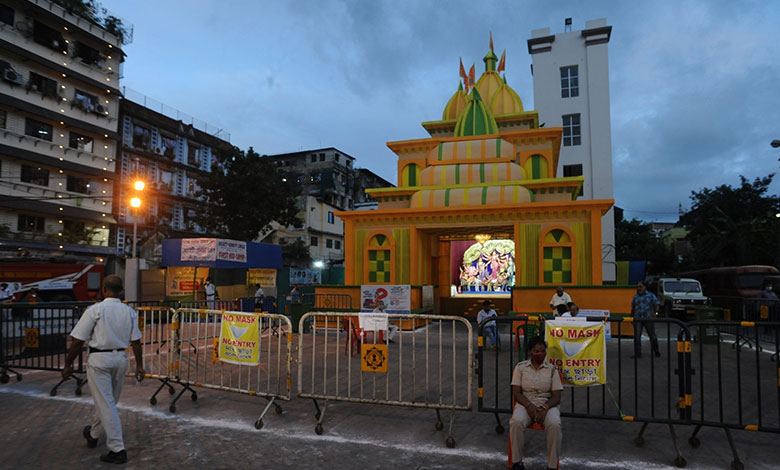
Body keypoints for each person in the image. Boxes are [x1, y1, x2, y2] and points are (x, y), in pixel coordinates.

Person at [62, 275, 144, 464]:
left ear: (104, 289)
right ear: (120, 290)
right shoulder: (129, 311)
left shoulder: (95, 310)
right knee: (109, 402)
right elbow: (136, 341)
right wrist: (139, 365)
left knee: (106, 403)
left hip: (99, 359)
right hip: (121, 359)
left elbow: (77, 341)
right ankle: (93, 434)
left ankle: (117, 449)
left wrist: (68, 364)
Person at [509, 335, 563, 470]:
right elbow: (516, 393)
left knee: (555, 424)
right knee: (516, 422)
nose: (540, 354)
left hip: (547, 404)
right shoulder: (520, 368)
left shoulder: (552, 370)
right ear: (530, 352)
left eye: (542, 351)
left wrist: (545, 407)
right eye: (536, 351)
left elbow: (556, 396)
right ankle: (517, 462)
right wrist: (529, 406)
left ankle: (551, 465)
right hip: (525, 402)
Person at [632, 281, 660, 358]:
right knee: (637, 337)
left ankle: (656, 351)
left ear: (645, 287)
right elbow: (633, 307)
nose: (639, 289)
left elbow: (657, 304)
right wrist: (632, 317)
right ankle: (637, 353)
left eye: (640, 287)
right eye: (637, 287)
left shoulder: (650, 295)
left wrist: (656, 313)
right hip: (638, 318)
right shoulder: (635, 297)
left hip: (648, 318)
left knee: (652, 336)